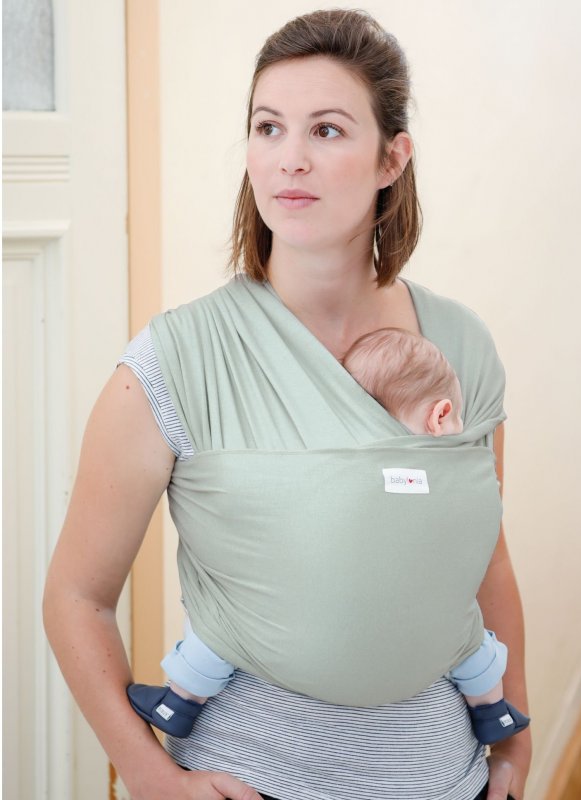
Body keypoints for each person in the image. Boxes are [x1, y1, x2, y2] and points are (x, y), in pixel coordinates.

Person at [42, 9, 531, 800]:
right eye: (268, 128)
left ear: (392, 158)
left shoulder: (461, 349)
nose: (289, 159)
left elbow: (488, 564)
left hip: (450, 780)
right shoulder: (178, 360)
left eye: (326, 130)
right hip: (254, 781)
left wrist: (514, 743)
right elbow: (76, 597)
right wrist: (151, 778)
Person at [125, 327, 530, 748]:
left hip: (311, 634)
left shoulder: (332, 475)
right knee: (471, 640)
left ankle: (179, 703)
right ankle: (492, 711)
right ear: (441, 415)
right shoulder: (454, 483)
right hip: (426, 640)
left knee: (221, 629)